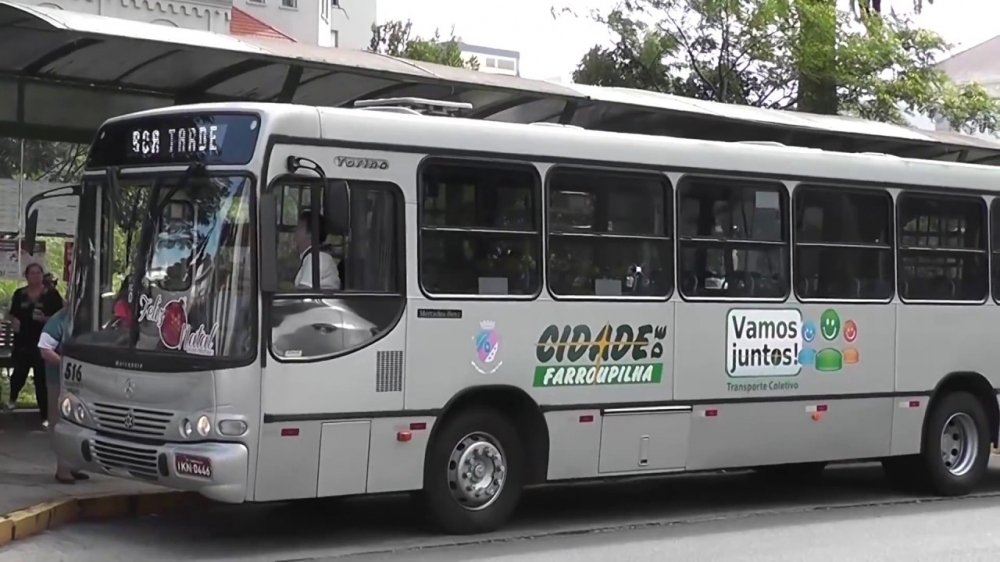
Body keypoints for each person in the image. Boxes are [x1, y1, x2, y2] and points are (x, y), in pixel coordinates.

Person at [5, 263, 64, 424]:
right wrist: (13, 321)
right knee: (19, 373)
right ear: (27, 276)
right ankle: (12, 399)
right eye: (32, 273)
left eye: (38, 273)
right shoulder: (20, 294)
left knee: (41, 379)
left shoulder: (51, 295)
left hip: (43, 343)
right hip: (23, 342)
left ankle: (45, 416)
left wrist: (45, 319)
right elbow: (10, 314)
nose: (35, 276)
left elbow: (61, 316)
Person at [38, 307, 89, 483]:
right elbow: (45, 349)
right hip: (58, 380)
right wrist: (65, 364)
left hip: (79, 381)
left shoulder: (85, 319)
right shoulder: (58, 320)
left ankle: (72, 465)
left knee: (75, 423)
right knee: (59, 422)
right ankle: (62, 468)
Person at [293, 211, 341, 290]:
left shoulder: (316, 257)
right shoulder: (312, 256)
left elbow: (303, 292)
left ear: (310, 233)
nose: (295, 231)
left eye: (300, 227)